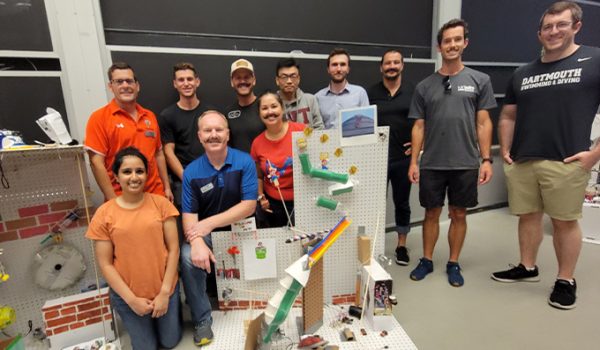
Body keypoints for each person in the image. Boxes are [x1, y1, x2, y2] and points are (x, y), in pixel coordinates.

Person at [491, 1, 600, 310]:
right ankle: (527, 267)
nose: (554, 31)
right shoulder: (523, 72)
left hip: (565, 161)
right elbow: (508, 116)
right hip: (524, 160)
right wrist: (507, 149)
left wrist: (595, 155)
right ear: (539, 33)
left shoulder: (593, 60)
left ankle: (566, 279)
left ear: (576, 26)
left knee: (565, 222)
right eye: (548, 27)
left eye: (561, 25)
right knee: (528, 217)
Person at [408, 19, 496, 287]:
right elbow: (419, 126)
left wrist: (486, 159)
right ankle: (426, 259)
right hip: (433, 162)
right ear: (439, 46)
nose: (452, 45)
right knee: (431, 213)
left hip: (465, 162)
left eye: (457, 39)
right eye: (447, 41)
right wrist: (414, 161)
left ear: (465, 43)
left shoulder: (480, 80)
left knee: (459, 214)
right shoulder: (424, 86)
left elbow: (484, 123)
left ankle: (453, 262)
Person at [86, 147, 181, 350]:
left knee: (170, 342)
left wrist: (164, 293)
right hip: (128, 296)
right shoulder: (104, 214)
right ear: (116, 176)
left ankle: (168, 313)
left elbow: (174, 250)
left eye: (139, 171)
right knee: (146, 347)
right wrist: (131, 300)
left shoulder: (161, 204)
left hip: (165, 291)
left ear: (147, 174)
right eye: (127, 172)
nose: (134, 177)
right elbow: (105, 263)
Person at [180, 110, 257, 345]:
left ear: (227, 134)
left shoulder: (244, 161)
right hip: (208, 235)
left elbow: (249, 206)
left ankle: (258, 307)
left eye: (218, 130)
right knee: (187, 258)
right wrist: (195, 242)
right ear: (200, 136)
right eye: (207, 130)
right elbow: (189, 215)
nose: (213, 135)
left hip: (243, 230)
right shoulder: (192, 172)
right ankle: (202, 319)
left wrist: (208, 223)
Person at [85, 62, 172, 202]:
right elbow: (96, 163)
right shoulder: (99, 118)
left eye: (129, 81)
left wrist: (166, 187)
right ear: (110, 86)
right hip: (122, 198)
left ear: (137, 86)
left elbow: (158, 153)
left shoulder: (149, 116)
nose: (125, 85)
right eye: (119, 81)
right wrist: (113, 199)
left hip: (155, 195)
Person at [158, 62, 216, 240]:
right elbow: (168, 151)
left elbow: (218, 145)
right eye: (181, 80)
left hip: (212, 177)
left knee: (215, 226)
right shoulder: (167, 116)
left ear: (197, 81)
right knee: (191, 235)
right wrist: (187, 177)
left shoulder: (210, 113)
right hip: (184, 182)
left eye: (190, 79)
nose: (186, 83)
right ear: (175, 84)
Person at [367, 49, 415, 266]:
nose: (392, 66)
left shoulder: (413, 92)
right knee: (375, 204)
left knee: (402, 203)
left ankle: (401, 245)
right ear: (381, 67)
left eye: (396, 62)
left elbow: (423, 123)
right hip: (376, 159)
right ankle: (375, 246)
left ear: (402, 66)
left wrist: (417, 146)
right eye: (388, 63)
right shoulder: (370, 93)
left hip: (403, 159)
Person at [251, 92, 305, 228]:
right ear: (259, 114)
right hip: (274, 205)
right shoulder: (257, 143)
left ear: (282, 108)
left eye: (274, 106)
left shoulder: (301, 131)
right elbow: (258, 176)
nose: (270, 112)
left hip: (304, 200)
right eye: (264, 108)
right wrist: (261, 196)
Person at [315, 48, 369, 129]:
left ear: (348, 69)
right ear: (328, 69)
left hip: (353, 141)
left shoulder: (360, 93)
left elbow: (366, 126)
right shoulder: (317, 98)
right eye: (334, 65)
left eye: (343, 64)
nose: (339, 69)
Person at [225, 58, 265, 153]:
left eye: (246, 77)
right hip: (239, 166)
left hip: (265, 166)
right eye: (238, 78)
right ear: (232, 82)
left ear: (254, 80)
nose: (242, 81)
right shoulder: (228, 113)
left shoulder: (265, 107)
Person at [275, 58, 324, 130]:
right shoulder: (273, 104)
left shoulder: (310, 100)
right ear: (277, 80)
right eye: (284, 77)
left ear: (298, 79)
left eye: (293, 76)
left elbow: (319, 128)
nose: (289, 81)